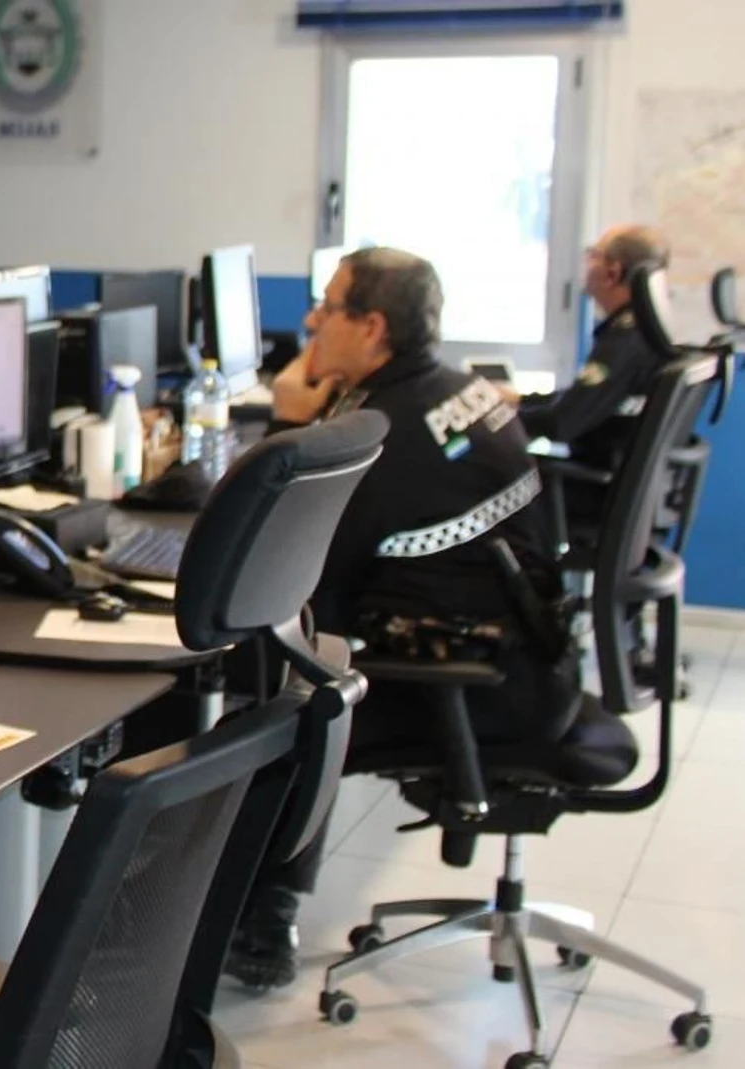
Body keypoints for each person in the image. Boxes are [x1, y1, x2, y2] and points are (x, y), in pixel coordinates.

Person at [224, 248, 577, 990]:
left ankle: (260, 913)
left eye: (328, 305)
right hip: (518, 658)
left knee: (275, 692)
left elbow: (290, 555)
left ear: (373, 325)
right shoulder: (450, 390)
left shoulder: (387, 429)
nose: (312, 319)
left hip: (465, 681)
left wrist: (288, 429)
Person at [513, 225, 673, 487]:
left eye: (593, 255)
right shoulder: (648, 334)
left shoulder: (623, 343)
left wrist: (492, 423)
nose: (587, 264)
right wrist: (519, 399)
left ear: (613, 272)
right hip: (615, 482)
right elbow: (586, 402)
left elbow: (561, 423)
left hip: (586, 491)